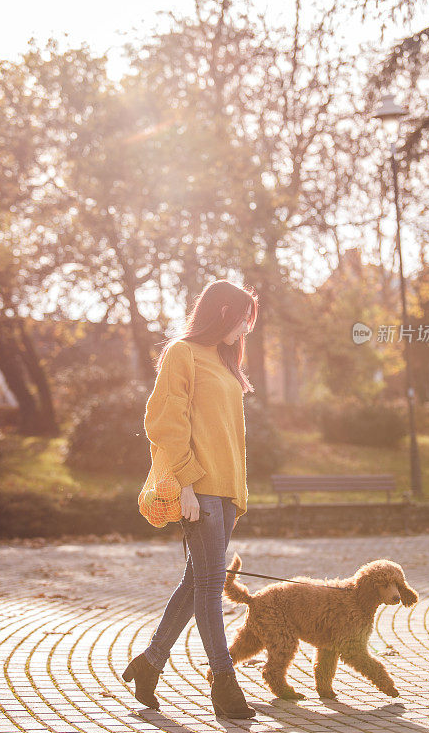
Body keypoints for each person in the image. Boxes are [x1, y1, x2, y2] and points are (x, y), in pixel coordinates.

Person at [122, 279, 259, 719]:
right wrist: (185, 485)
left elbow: (230, 434)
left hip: (225, 490)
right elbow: (165, 420)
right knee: (209, 586)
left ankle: (149, 663)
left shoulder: (224, 361)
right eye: (243, 320)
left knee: (194, 582)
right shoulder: (181, 354)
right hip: (198, 488)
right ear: (222, 312)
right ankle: (224, 683)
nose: (245, 330)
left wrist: (237, 495)